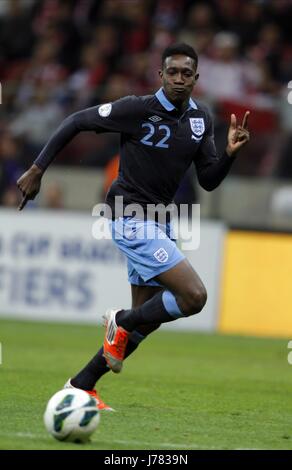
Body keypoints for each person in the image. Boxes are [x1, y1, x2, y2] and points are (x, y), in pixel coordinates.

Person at [17, 43, 250, 411]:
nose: (178, 79)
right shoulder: (137, 109)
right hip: (129, 216)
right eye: (171, 72)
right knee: (194, 297)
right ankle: (119, 320)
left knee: (144, 325)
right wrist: (37, 168)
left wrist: (230, 156)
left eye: (186, 73)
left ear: (196, 78)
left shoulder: (200, 118)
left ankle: (81, 386)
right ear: (160, 74)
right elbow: (76, 120)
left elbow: (208, 179)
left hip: (161, 222)